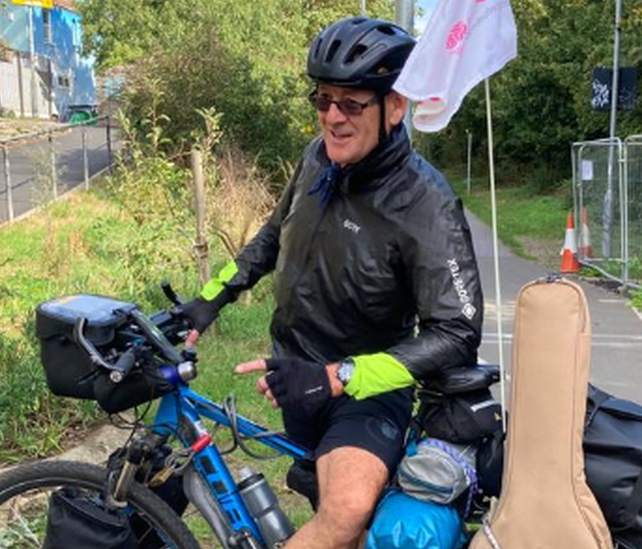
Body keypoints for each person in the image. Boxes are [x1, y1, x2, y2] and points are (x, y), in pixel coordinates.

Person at [182, 17, 484, 549]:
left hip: (366, 392)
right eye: (323, 100)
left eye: (352, 103)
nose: (333, 118)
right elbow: (271, 238)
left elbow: (457, 332)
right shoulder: (316, 157)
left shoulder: (424, 202)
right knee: (328, 516)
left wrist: (339, 376)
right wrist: (210, 298)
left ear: (396, 106)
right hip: (295, 375)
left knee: (344, 513)